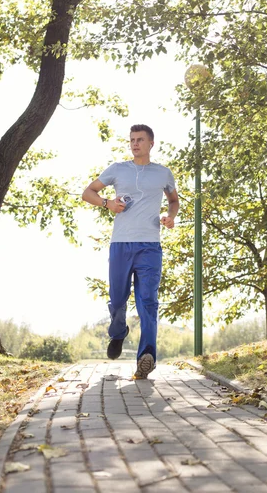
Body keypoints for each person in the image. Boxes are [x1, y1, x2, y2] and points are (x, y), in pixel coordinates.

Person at [82, 124, 179, 379]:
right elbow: (87, 192)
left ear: (151, 143)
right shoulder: (117, 169)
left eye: (140, 140)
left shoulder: (163, 174)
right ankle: (118, 333)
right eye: (132, 140)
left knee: (148, 300)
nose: (135, 144)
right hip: (120, 244)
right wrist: (107, 203)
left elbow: (173, 200)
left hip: (150, 245)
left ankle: (147, 356)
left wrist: (170, 217)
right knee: (117, 298)